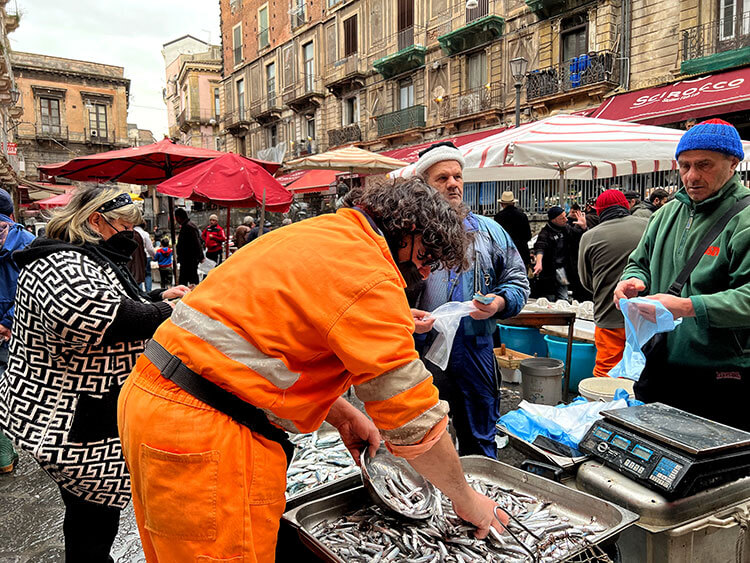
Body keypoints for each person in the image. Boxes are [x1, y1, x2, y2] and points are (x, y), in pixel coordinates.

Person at [118, 178, 509, 562]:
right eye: (426, 257)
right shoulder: (369, 272)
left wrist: (340, 412)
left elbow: (266, 343)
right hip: (205, 431)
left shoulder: (327, 231)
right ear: (405, 230)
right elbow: (415, 418)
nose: (424, 274)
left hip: (160, 399)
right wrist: (469, 501)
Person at [0, 186, 190, 561]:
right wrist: (178, 312)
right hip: (68, 411)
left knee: (92, 510)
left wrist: (159, 299)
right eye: (123, 224)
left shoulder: (87, 256)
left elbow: (118, 299)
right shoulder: (56, 263)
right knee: (93, 509)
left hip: (86, 406)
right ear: (95, 220)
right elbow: (93, 317)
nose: (130, 234)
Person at [614, 118, 750, 430]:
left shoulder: (744, 219)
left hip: (722, 375)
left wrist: (688, 307)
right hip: (661, 365)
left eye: (704, 165)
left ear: (733, 163)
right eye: (685, 165)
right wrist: (632, 280)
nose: (692, 176)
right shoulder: (664, 215)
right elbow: (639, 262)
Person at [412, 142, 530, 458]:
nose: (453, 184)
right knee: (422, 437)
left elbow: (518, 282)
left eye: (457, 176)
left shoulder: (491, 233)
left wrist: (500, 303)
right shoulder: (408, 235)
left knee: (480, 436)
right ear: (423, 184)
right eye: (442, 178)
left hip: (475, 346)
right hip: (419, 350)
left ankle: (480, 493)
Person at [578, 190, 648, 377]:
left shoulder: (590, 236)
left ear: (599, 212)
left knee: (607, 373)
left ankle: (609, 405)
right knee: (646, 371)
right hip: (647, 315)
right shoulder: (648, 225)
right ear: (626, 206)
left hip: (609, 315)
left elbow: (585, 281)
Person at [0, 188, 34, 474]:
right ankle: (7, 453)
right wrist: (10, 321)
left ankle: (4, 454)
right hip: (18, 328)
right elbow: (33, 287)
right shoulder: (28, 241)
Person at [533, 206, 587, 302]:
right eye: (562, 218)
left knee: (563, 297)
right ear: (554, 220)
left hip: (564, 269)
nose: (566, 220)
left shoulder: (566, 228)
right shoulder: (545, 233)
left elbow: (578, 236)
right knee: (550, 298)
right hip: (550, 272)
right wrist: (539, 262)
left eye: (565, 216)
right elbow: (540, 247)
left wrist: (583, 227)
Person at [493, 190, 532, 267]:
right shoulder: (522, 216)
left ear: (501, 204)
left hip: (505, 252)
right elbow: (528, 236)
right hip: (521, 252)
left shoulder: (498, 217)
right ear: (514, 203)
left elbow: (496, 237)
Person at [174, 207, 204, 286]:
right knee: (186, 280)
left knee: (190, 280)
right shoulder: (187, 225)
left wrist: (201, 256)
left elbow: (197, 242)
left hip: (189, 259)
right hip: (186, 260)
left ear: (179, 217)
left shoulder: (189, 226)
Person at [135, 223, 156, 291]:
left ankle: (139, 292)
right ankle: (148, 292)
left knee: (137, 274)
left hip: (135, 257)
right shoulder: (145, 234)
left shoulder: (131, 233)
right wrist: (153, 255)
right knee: (147, 275)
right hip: (146, 256)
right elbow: (149, 248)